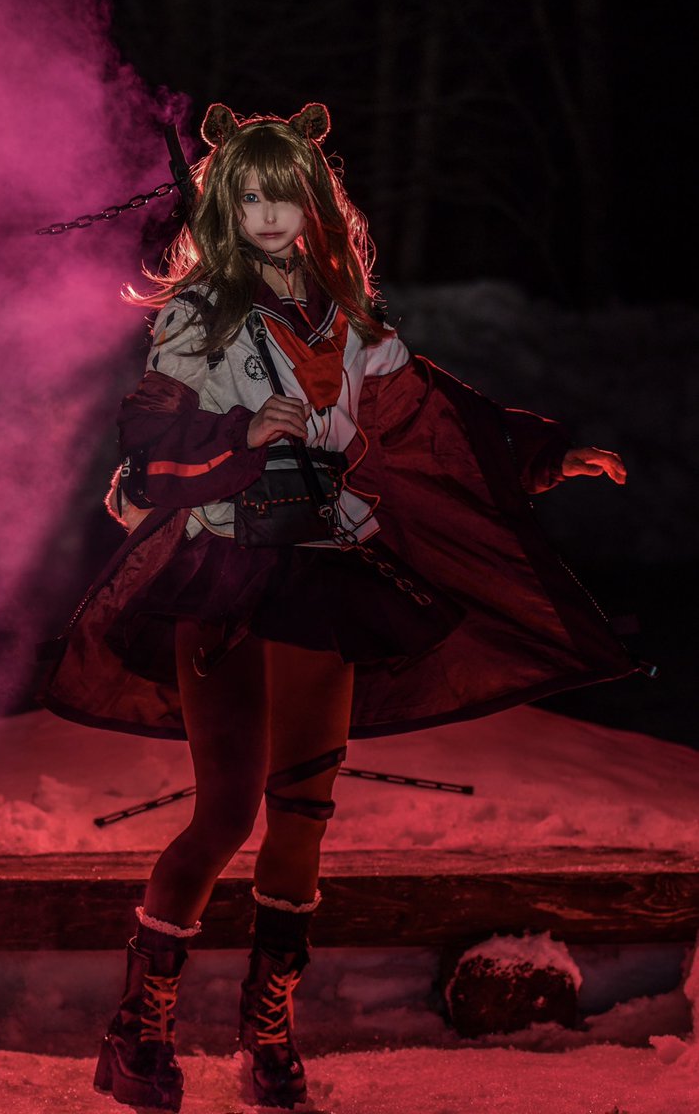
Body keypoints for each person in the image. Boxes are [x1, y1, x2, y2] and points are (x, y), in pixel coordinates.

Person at [37, 102, 638, 1111]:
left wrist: (544, 454)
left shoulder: (349, 322)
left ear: (316, 202)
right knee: (226, 813)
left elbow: (435, 417)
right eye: (251, 197)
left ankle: (267, 1034)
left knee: (304, 816)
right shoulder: (200, 315)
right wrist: (240, 432)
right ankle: (137, 1030)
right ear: (228, 207)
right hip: (225, 571)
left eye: (287, 195)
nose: (270, 214)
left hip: (323, 570)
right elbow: (148, 445)